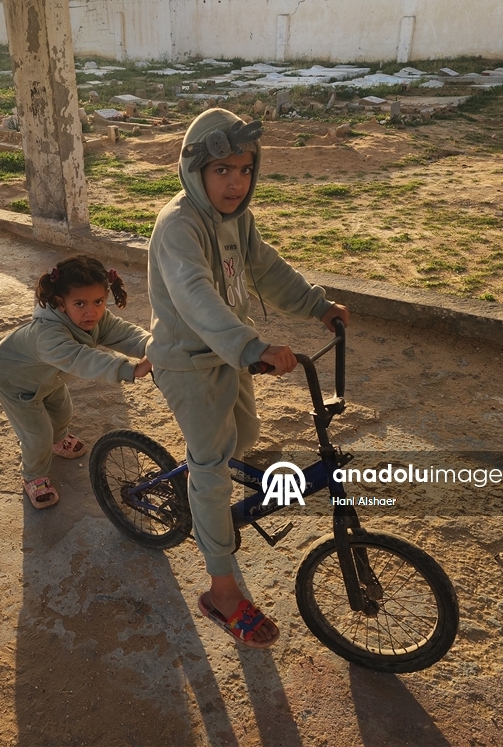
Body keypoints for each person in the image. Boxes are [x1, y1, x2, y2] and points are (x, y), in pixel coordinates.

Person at [147, 108, 349, 648]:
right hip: (189, 361)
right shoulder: (178, 226)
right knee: (212, 466)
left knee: (246, 436)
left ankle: (199, 474)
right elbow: (194, 295)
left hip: (229, 354)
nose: (235, 183)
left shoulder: (239, 219)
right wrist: (250, 346)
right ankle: (221, 590)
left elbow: (265, 267)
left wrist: (316, 305)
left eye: (245, 169)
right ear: (195, 171)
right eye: (221, 171)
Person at [0, 255, 152, 509]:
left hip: (49, 378)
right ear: (59, 303)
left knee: (63, 412)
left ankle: (59, 439)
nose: (92, 311)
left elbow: (123, 333)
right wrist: (131, 369)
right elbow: (81, 359)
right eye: (80, 303)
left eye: (98, 301)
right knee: (37, 435)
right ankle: (33, 476)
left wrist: (153, 346)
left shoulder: (95, 317)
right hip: (16, 382)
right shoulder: (47, 335)